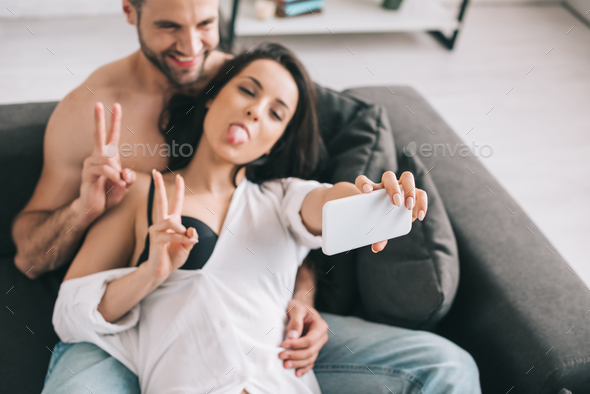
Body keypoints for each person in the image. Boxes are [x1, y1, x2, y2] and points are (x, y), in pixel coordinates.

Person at [13, 0, 481, 392]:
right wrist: (141, 263)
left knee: (451, 366)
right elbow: (63, 298)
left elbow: (325, 206)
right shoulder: (139, 185)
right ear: (212, 96)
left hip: (274, 372)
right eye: (248, 93)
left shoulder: (279, 197)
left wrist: (376, 198)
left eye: (275, 113)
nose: (191, 46)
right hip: (164, 359)